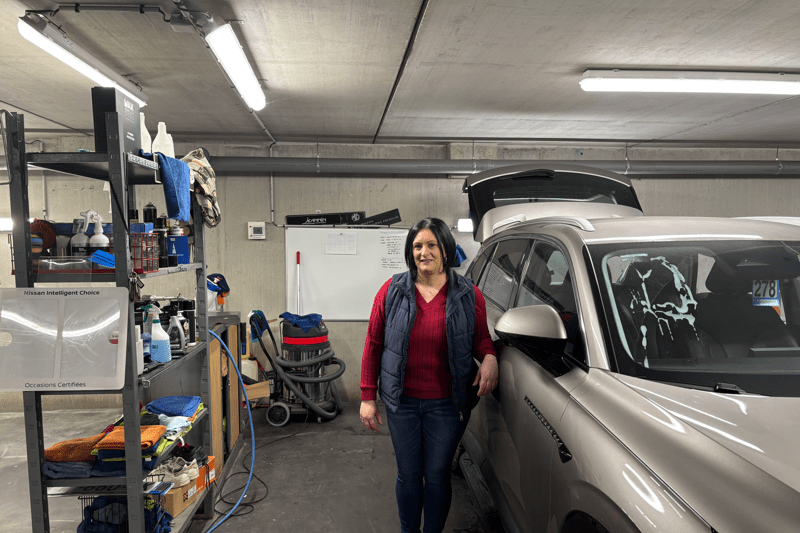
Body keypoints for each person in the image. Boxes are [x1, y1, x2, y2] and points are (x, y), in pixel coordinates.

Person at [360, 217, 499, 533]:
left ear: (445, 250)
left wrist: (490, 357)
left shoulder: (468, 294)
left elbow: (481, 337)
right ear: (411, 253)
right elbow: (373, 343)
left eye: (431, 245)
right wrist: (367, 396)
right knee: (409, 475)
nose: (424, 252)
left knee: (436, 475)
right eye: (417, 246)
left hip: (448, 405)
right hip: (403, 403)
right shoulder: (391, 291)